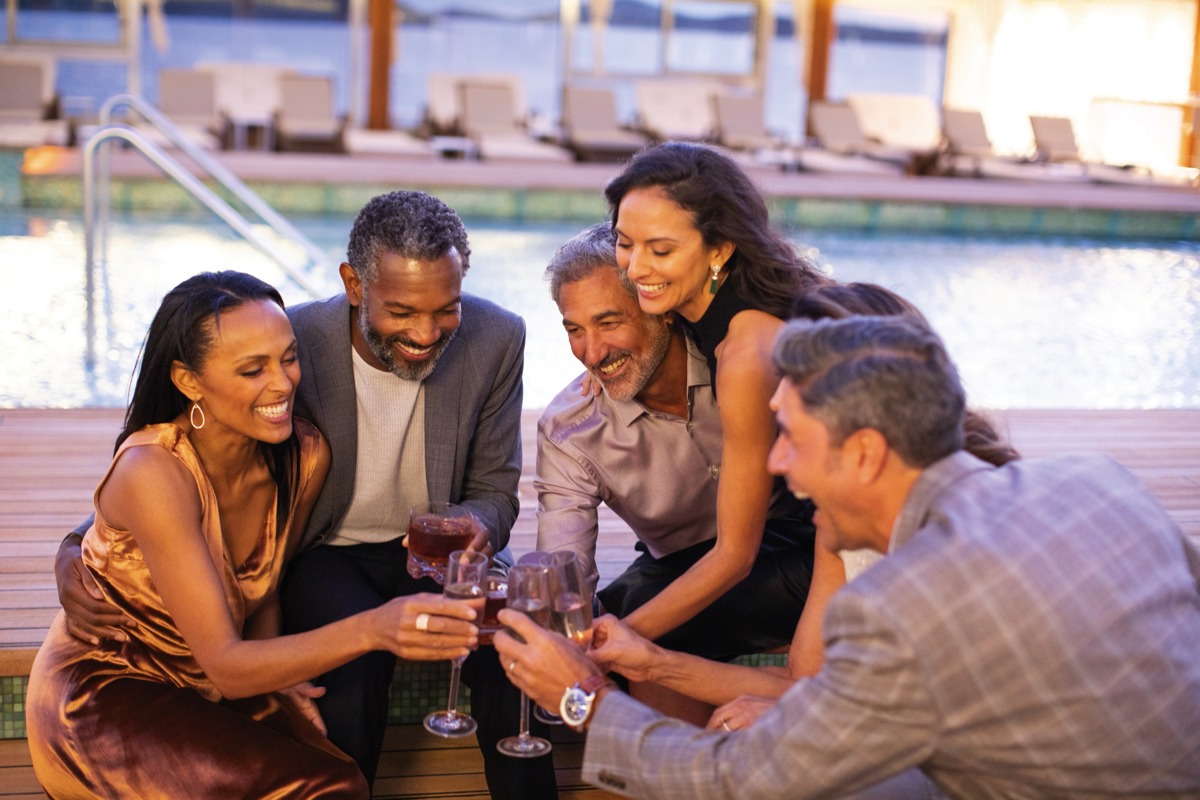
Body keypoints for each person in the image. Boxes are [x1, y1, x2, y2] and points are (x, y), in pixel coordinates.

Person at [496, 314, 1200, 799]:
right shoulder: (1094, 477)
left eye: (792, 439)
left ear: (865, 453)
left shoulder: (898, 608)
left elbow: (735, 783)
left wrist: (578, 697)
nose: (774, 462)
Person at [53, 193, 557, 798]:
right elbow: (158, 482)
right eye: (401, 311)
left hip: (440, 554)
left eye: (444, 309)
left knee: (518, 650)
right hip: (326, 551)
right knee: (345, 679)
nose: (426, 333)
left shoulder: (497, 337)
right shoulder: (293, 342)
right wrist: (74, 546)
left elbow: (497, 492)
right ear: (353, 285)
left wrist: (475, 524)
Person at [536, 222, 814, 667]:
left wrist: (617, 644)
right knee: (621, 606)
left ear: (661, 308)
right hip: (681, 564)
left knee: (649, 617)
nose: (592, 354)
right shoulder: (571, 430)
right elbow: (561, 572)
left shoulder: (736, 359)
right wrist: (555, 617)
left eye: (608, 323)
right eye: (575, 330)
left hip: (798, 539)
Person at [596, 141, 826, 661]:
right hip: (788, 526)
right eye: (624, 243)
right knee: (632, 591)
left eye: (661, 250)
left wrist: (609, 645)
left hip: (830, 549)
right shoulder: (713, 298)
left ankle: (688, 744)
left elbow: (734, 557)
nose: (635, 269)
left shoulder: (746, 353)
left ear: (720, 248)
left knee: (652, 619)